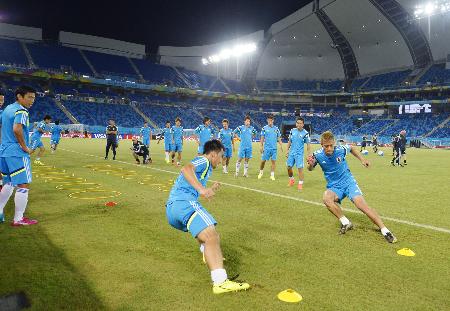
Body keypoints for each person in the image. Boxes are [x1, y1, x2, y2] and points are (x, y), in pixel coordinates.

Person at [165, 139, 250, 294]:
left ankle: (207, 252)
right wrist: (202, 190)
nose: (222, 159)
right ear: (212, 154)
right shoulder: (203, 160)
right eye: (221, 156)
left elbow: (190, 180)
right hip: (183, 204)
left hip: (174, 210)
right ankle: (220, 282)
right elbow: (186, 168)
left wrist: (208, 188)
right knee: (212, 236)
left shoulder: (206, 166)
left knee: (205, 234)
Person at [307, 131, 397, 243]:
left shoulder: (341, 149)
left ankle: (385, 230)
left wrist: (362, 160)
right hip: (334, 187)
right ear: (321, 144)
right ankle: (346, 222)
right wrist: (310, 164)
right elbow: (310, 168)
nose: (329, 148)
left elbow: (351, 148)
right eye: (326, 146)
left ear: (334, 143)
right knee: (326, 198)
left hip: (348, 182)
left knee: (361, 205)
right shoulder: (317, 155)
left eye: (331, 145)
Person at [0, 85, 38, 226]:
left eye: (33, 97)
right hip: (17, 153)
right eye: (29, 97)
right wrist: (24, 147)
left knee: (8, 183)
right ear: (19, 97)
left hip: (4, 152)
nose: (32, 100)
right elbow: (17, 129)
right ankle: (18, 219)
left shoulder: (7, 109)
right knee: (23, 184)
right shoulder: (22, 111)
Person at [286, 117, 311, 190]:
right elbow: (289, 141)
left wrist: (309, 155)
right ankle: (291, 179)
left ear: (303, 124)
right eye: (297, 123)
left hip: (299, 154)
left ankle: (300, 184)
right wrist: (287, 150)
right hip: (291, 153)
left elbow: (308, 145)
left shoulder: (305, 133)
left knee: (300, 169)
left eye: (300, 123)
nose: (299, 124)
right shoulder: (292, 131)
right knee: (288, 167)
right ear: (296, 123)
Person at [258, 114, 283, 180]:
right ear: (267, 120)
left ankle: (272, 175)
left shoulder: (276, 129)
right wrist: (261, 146)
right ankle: (261, 172)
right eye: (269, 120)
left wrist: (281, 145)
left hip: (274, 149)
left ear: (273, 121)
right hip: (266, 148)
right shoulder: (264, 128)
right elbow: (262, 138)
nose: (270, 122)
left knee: (273, 162)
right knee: (263, 161)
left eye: (271, 120)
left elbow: (279, 137)